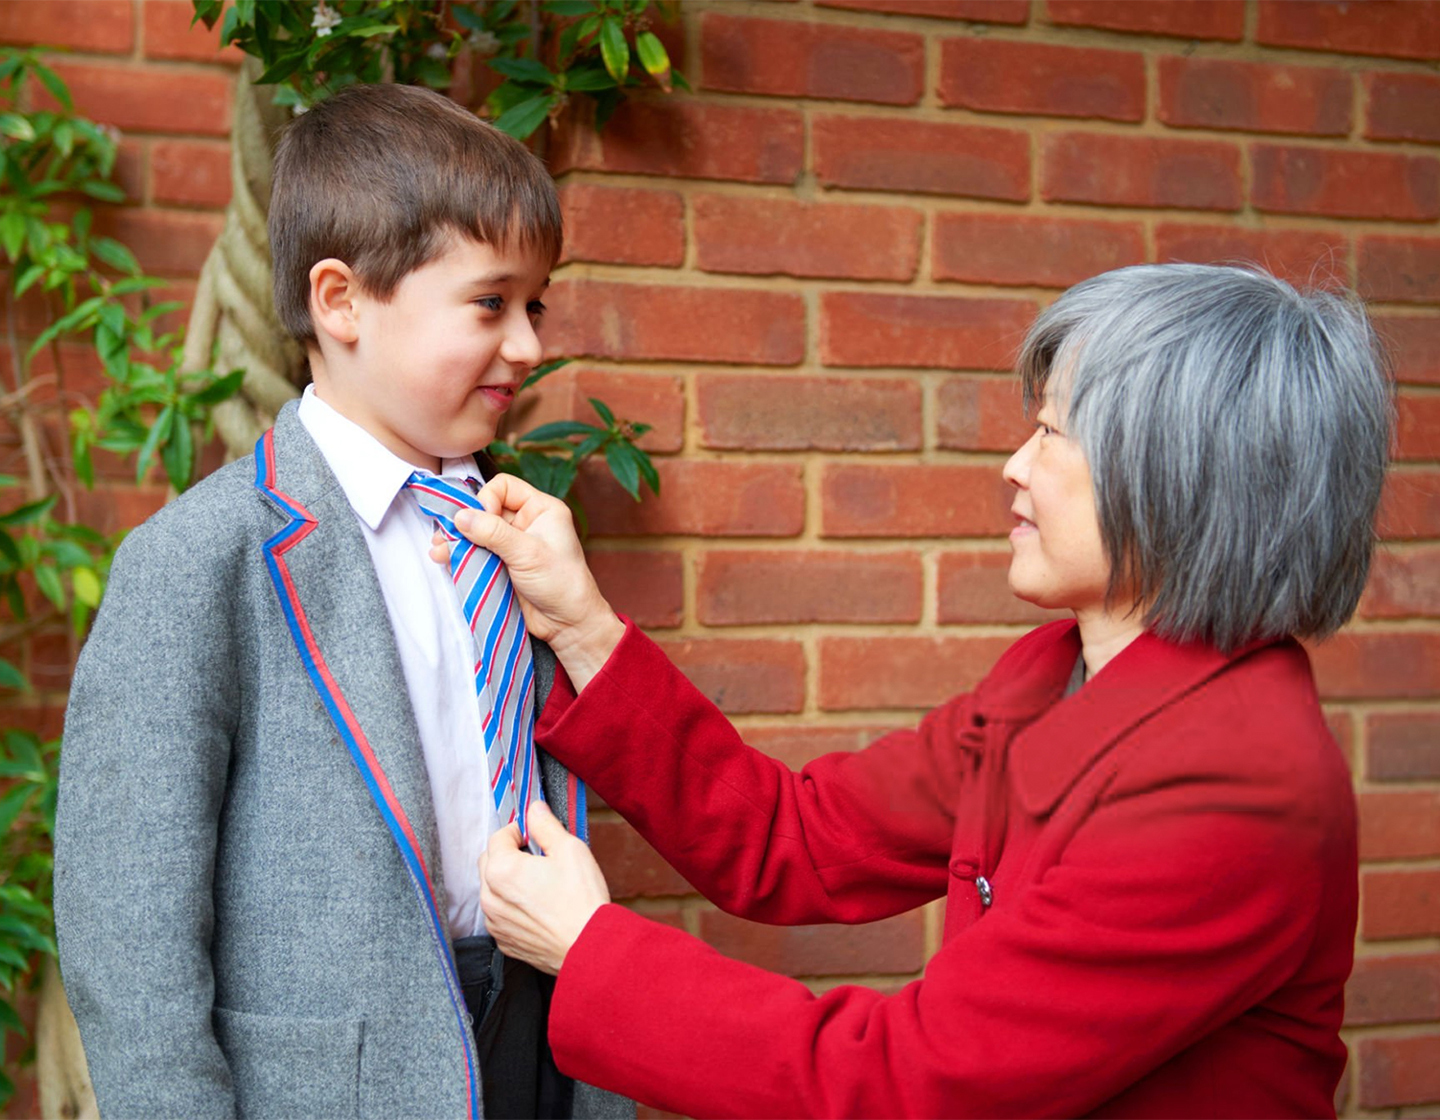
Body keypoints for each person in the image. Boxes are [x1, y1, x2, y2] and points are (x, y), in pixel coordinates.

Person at [444, 264, 1392, 1118]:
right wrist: (581, 626)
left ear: (1181, 479)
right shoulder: (1050, 677)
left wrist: (593, 952)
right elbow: (798, 840)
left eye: (1054, 434)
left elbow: (911, 1086)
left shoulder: (1236, 785)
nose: (1015, 466)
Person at [54, 83, 629, 1120]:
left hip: (544, 1049)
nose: (530, 345)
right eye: (490, 303)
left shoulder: (515, 537)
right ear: (342, 299)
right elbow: (129, 936)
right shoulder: (198, 562)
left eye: (534, 306)